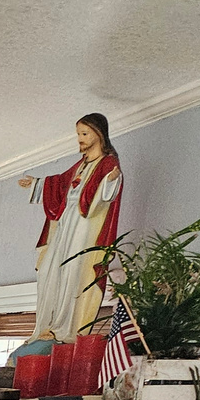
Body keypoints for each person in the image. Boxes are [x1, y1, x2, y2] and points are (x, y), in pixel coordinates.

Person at [18, 114, 123, 344]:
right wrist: (37, 183)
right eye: (78, 134)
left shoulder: (107, 163)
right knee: (49, 270)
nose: (80, 139)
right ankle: (47, 325)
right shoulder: (81, 164)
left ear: (99, 134)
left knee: (74, 271)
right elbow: (61, 183)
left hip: (86, 226)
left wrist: (111, 181)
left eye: (85, 134)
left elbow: (107, 194)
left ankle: (66, 328)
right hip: (66, 223)